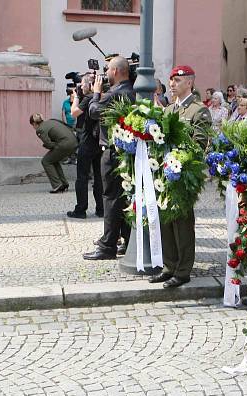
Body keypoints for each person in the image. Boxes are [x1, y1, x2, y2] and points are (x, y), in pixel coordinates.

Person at [149, 65, 211, 289]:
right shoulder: (169, 110)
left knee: (183, 223)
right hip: (165, 172)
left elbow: (200, 143)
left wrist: (179, 160)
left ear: (189, 83)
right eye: (171, 80)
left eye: (177, 80)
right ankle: (169, 266)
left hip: (184, 173)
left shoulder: (198, 110)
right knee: (166, 220)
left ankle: (183, 270)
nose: (172, 84)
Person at [83, 55, 136, 261]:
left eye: (107, 70)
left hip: (112, 151)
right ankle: (127, 240)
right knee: (122, 198)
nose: (105, 74)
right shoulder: (131, 91)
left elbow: (93, 111)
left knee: (111, 199)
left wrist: (95, 94)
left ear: (115, 71)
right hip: (123, 152)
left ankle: (107, 246)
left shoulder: (116, 93)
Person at [67, 74, 103, 219]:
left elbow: (74, 113)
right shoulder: (98, 97)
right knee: (98, 177)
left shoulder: (88, 99)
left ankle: (80, 209)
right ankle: (101, 209)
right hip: (98, 141)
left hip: (87, 141)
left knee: (82, 176)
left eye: (82, 84)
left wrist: (75, 97)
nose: (80, 87)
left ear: (89, 85)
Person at [29, 113, 75, 193]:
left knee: (45, 161)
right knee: (53, 160)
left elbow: (49, 144)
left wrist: (46, 145)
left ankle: (57, 185)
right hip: (74, 142)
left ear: (34, 123)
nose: (33, 127)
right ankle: (64, 184)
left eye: (32, 125)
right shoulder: (51, 121)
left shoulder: (40, 129)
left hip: (64, 144)